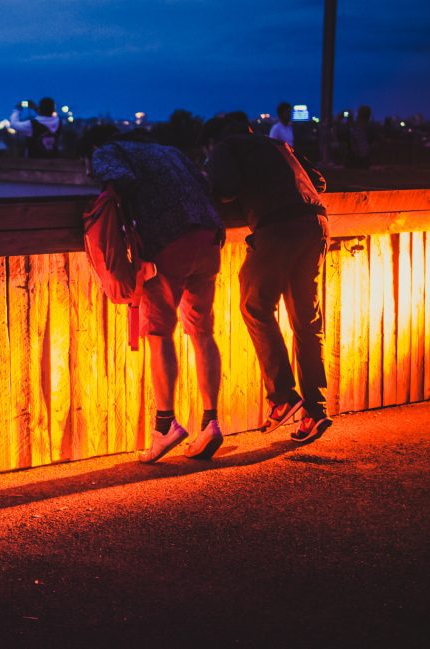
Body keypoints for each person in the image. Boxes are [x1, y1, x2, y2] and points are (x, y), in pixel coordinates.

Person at [86, 129, 225, 464]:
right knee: (202, 331)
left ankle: (165, 425)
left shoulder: (109, 150)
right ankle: (210, 423)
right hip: (208, 236)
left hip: (167, 242)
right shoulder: (172, 151)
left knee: (159, 333)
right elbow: (206, 184)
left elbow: (120, 179)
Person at [202, 115, 332, 443]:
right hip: (316, 224)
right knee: (306, 322)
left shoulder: (225, 147)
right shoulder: (278, 145)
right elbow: (318, 182)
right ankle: (315, 410)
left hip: (276, 227)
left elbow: (226, 190)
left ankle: (283, 397)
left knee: (255, 306)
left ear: (213, 140)